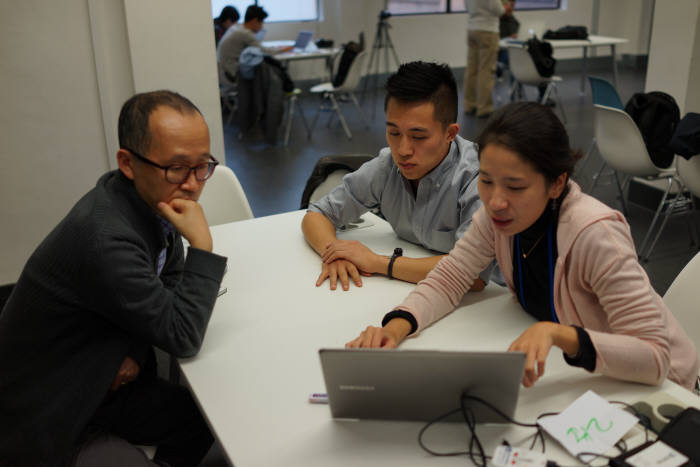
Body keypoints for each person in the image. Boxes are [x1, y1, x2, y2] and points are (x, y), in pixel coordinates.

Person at [347, 102, 699, 391]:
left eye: (515, 187)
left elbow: (655, 357)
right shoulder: (499, 217)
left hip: (661, 390)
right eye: (485, 181)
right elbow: (450, 277)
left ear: (556, 183)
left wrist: (559, 334)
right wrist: (395, 328)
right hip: (589, 379)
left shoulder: (595, 235)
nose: (496, 200)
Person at [0, 90, 227, 467]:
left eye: (202, 165)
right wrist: (202, 246)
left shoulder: (150, 200)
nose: (192, 183)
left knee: (203, 419)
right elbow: (182, 336)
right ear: (128, 162)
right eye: (176, 167)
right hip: (52, 407)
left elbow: (166, 278)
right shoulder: (105, 236)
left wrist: (134, 349)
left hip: (104, 373)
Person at [302, 61, 495, 292]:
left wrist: (378, 262)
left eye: (418, 136)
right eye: (394, 133)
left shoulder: (480, 178)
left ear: (450, 133)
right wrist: (335, 252)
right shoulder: (387, 165)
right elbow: (317, 214)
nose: (403, 150)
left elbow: (472, 275)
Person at [217, 5, 292, 82]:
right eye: (261, 23)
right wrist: (284, 49)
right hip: (232, 72)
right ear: (255, 21)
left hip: (224, 70)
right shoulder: (245, 33)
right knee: (267, 66)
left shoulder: (237, 28)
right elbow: (264, 51)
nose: (261, 27)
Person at [464, 0, 514, 118]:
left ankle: (469, 105)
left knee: (472, 69)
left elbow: (467, 7)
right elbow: (498, 10)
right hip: (488, 31)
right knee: (486, 70)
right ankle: (484, 108)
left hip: (472, 29)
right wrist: (506, 7)